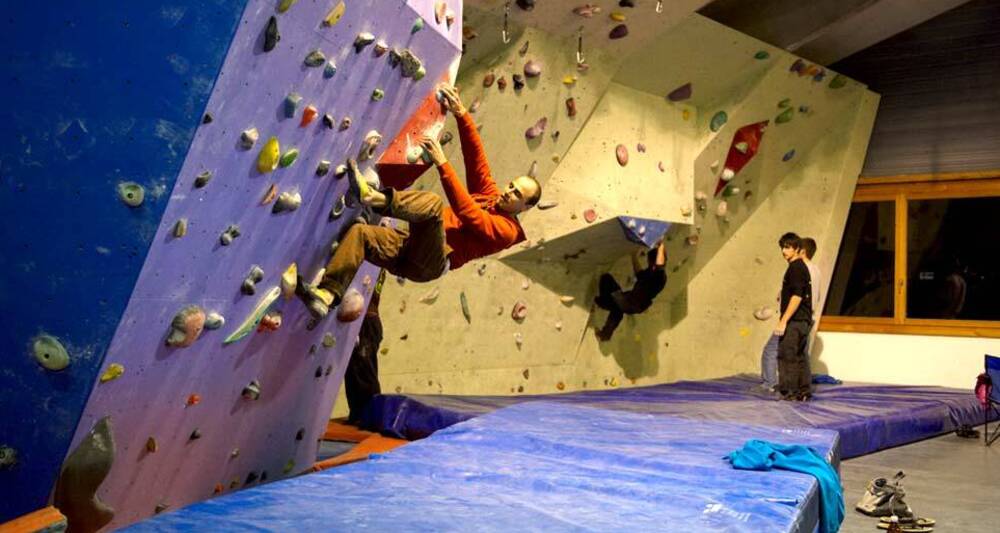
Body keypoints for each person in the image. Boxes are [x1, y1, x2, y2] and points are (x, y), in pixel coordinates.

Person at [296, 84, 542, 318]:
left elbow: (469, 213)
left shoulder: (507, 231)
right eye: (512, 186)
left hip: (433, 261)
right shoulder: (491, 197)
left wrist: (442, 163)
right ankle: (326, 296)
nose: (509, 192)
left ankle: (371, 197)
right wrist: (461, 114)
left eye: (518, 195)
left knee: (433, 206)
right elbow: (477, 161)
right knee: (361, 234)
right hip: (410, 248)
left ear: (526, 207)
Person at [593, 239, 667, 341]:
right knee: (618, 309)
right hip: (634, 303)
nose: (648, 263)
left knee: (606, 279)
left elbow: (660, 265)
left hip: (631, 302)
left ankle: (602, 302)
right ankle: (605, 334)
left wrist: (661, 246)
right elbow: (639, 274)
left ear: (653, 264)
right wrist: (633, 256)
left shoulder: (659, 276)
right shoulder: (651, 272)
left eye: (649, 262)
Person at [776, 232, 814, 401]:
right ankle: (803, 391)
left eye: (788, 247)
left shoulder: (795, 267)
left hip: (795, 321)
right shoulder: (801, 268)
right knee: (800, 357)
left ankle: (790, 392)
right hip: (803, 320)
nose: (784, 251)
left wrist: (783, 321)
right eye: (783, 247)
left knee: (787, 355)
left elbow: (797, 296)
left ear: (797, 249)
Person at [344, 270, 386, 424]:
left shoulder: (371, 265)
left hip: (366, 321)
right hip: (367, 320)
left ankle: (370, 416)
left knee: (363, 370)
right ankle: (358, 414)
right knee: (355, 371)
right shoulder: (376, 265)